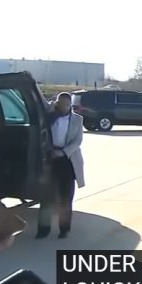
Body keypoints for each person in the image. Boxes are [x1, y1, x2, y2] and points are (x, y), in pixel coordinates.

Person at [37, 92, 85, 239]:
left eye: (67, 104)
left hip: (68, 159)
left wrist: (63, 152)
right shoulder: (49, 117)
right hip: (50, 159)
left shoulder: (77, 119)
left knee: (66, 197)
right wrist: (50, 151)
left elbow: (77, 141)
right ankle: (43, 230)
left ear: (71, 105)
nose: (64, 107)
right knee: (46, 197)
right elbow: (42, 135)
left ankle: (64, 229)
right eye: (60, 104)